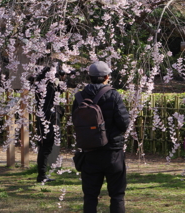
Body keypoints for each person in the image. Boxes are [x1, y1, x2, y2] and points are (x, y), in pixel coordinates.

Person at [72, 61, 130, 213]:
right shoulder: (113, 95)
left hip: (89, 153)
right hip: (112, 152)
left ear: (89, 76)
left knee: (90, 196)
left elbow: (75, 122)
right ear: (106, 77)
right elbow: (124, 123)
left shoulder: (79, 97)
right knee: (117, 195)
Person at [32, 62, 66, 183]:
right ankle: (41, 175)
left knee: (44, 147)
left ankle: (42, 174)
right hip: (49, 118)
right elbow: (60, 90)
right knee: (45, 147)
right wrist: (61, 80)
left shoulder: (40, 86)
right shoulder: (48, 87)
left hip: (44, 118)